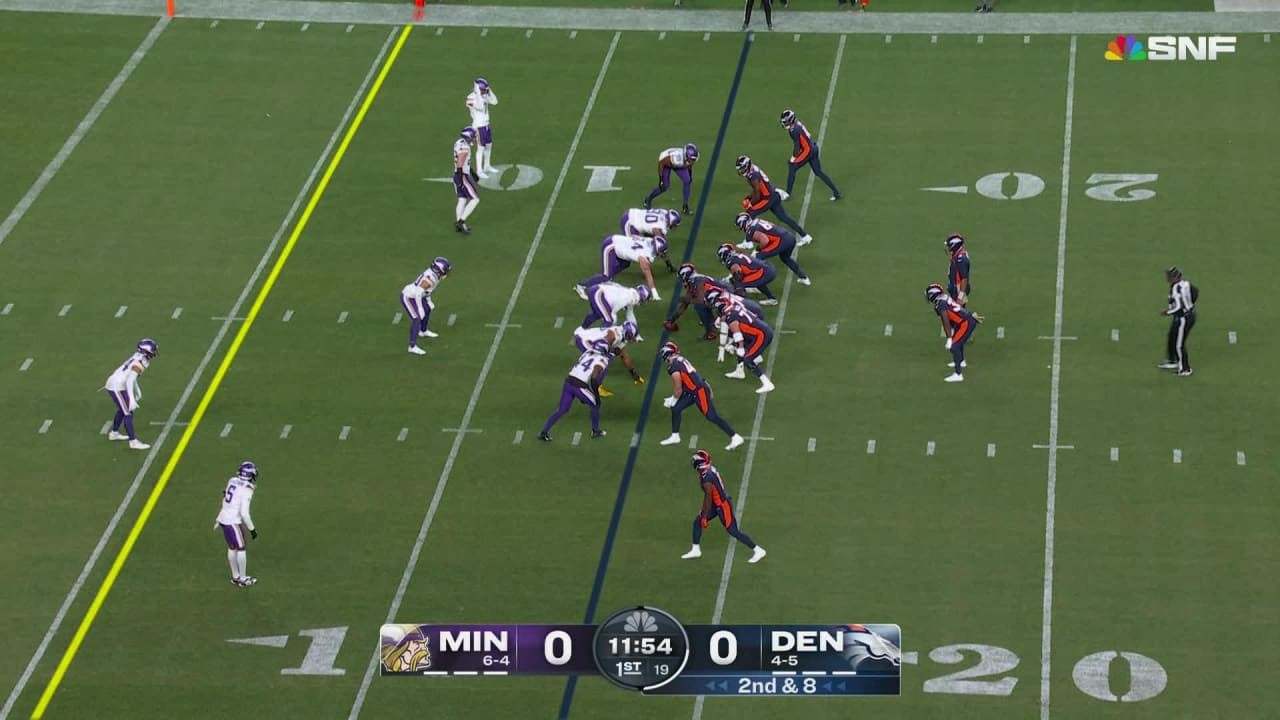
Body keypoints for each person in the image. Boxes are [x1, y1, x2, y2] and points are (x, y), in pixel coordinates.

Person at [681, 450, 767, 563]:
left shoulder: (706, 478)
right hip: (716, 503)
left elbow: (708, 497)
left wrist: (705, 515)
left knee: (733, 531)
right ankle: (696, 550)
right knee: (697, 521)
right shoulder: (708, 470)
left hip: (722, 505)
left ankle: (758, 550)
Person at [657, 342, 745, 450]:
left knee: (712, 416)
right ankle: (675, 436)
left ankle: (735, 437)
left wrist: (674, 399)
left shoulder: (674, 366)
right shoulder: (680, 359)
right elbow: (689, 378)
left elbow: (678, 386)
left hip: (699, 391)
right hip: (693, 390)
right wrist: (673, 399)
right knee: (676, 408)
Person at [539, 346, 611, 441]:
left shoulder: (587, 352)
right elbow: (594, 379)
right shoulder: (603, 359)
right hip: (579, 386)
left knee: (562, 409)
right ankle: (595, 431)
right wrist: (597, 397)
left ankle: (544, 432)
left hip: (568, 382)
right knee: (595, 404)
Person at [737, 155, 811, 243]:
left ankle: (748, 242)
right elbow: (756, 189)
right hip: (773, 195)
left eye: (742, 168)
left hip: (768, 198)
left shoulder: (752, 175)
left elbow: (757, 191)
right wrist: (749, 198)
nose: (741, 170)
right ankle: (805, 236)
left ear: (747, 166)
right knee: (784, 217)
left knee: (750, 213)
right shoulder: (752, 170)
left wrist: (751, 203)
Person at [714, 294, 776, 394]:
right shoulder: (736, 308)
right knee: (740, 347)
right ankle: (740, 370)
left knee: (747, 359)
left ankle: (767, 383)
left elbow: (738, 336)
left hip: (762, 335)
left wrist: (740, 348)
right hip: (758, 332)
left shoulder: (730, 318)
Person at [575, 234, 669, 299]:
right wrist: (654, 293)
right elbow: (648, 274)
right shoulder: (644, 256)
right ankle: (581, 286)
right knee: (606, 275)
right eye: (661, 252)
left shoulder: (649, 241)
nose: (662, 254)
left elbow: (634, 236)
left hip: (617, 241)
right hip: (611, 246)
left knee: (625, 264)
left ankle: (609, 277)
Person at [103, 338, 157, 450]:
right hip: (116, 386)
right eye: (152, 351)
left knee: (124, 409)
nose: (154, 353)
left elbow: (131, 376)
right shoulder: (140, 363)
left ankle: (114, 433)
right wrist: (132, 399)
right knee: (128, 412)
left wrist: (137, 389)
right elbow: (130, 380)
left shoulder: (138, 356)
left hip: (118, 383)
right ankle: (133, 441)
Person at [214, 461, 260, 587]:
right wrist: (252, 529)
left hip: (224, 518)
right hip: (233, 521)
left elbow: (225, 496)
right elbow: (244, 513)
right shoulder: (248, 488)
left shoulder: (232, 480)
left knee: (232, 548)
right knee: (241, 548)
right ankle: (243, 579)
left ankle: (236, 577)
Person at [572, 321, 645, 397]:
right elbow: (602, 345)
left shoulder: (621, 336)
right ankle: (597, 387)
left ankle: (592, 379)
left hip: (590, 340)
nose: (633, 339)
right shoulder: (614, 334)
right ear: (629, 334)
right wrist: (613, 350)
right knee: (606, 359)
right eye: (633, 336)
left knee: (607, 356)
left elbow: (624, 356)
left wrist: (633, 372)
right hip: (584, 340)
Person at [780, 109, 841, 200]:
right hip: (813, 147)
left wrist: (793, 157)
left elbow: (797, 146)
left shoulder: (793, 130)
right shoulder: (797, 124)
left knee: (792, 167)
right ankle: (836, 192)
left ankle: (788, 194)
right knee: (818, 172)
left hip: (808, 151)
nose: (784, 123)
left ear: (791, 120)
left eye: (786, 121)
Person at [927, 284, 981, 383]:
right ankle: (961, 361)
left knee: (954, 346)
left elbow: (946, 321)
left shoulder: (940, 304)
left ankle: (958, 374)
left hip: (965, 323)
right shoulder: (944, 297)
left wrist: (949, 338)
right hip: (964, 320)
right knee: (957, 341)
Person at [736, 213, 810, 285]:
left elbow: (765, 240)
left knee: (757, 258)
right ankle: (804, 278)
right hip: (789, 237)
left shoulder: (751, 230)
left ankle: (756, 283)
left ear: (744, 223)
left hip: (781, 241)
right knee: (785, 258)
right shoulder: (758, 221)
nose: (739, 228)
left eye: (739, 225)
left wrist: (757, 250)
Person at [401, 257, 451, 355]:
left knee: (427, 309)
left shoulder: (435, 276)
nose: (446, 273)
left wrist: (428, 301)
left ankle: (423, 331)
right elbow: (418, 293)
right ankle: (412, 346)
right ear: (438, 270)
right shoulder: (429, 279)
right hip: (409, 297)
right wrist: (420, 308)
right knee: (417, 318)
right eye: (445, 270)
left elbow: (427, 291)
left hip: (419, 295)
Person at [1158, 266, 1197, 377]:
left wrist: (1167, 312)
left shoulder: (1176, 288)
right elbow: (1195, 292)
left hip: (1184, 318)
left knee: (1179, 344)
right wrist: (1190, 304)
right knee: (1172, 336)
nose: (1167, 277)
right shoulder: (1186, 283)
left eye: (1170, 275)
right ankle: (1172, 360)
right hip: (1186, 315)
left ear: (1175, 277)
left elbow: (1179, 307)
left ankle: (1185, 369)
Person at [643, 144, 699, 215]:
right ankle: (648, 199)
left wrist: (690, 174)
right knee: (664, 186)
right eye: (691, 159)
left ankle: (685, 207)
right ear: (686, 155)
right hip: (666, 163)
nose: (692, 161)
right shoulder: (675, 158)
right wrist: (661, 179)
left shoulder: (692, 157)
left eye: (693, 159)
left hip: (679, 163)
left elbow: (690, 164)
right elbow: (661, 163)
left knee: (687, 181)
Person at [580, 282, 653, 329]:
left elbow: (630, 314)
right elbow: (613, 312)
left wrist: (635, 331)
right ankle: (601, 339)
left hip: (596, 290)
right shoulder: (629, 298)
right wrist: (614, 329)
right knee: (609, 320)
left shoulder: (631, 294)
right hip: (598, 293)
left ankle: (581, 329)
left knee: (597, 314)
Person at [465, 77, 499, 177]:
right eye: (484, 90)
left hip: (486, 125)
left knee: (489, 145)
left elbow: (495, 101)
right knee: (481, 148)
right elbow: (479, 107)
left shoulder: (483, 96)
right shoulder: (470, 98)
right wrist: (479, 94)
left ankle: (487, 166)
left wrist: (489, 90)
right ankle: (479, 171)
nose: (485, 92)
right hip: (479, 126)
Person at [452, 127, 480, 234]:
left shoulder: (459, 142)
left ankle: (458, 224)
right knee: (475, 199)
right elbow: (460, 162)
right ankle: (461, 221)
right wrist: (461, 180)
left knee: (462, 199)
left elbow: (463, 161)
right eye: (473, 137)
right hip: (462, 175)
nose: (474, 138)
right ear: (468, 137)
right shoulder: (465, 147)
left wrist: (472, 172)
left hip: (457, 174)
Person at [945, 234, 971, 305]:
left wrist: (961, 296)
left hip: (959, 288)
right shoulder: (957, 254)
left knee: (957, 309)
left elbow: (964, 279)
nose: (948, 248)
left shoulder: (961, 260)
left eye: (949, 246)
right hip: (956, 286)